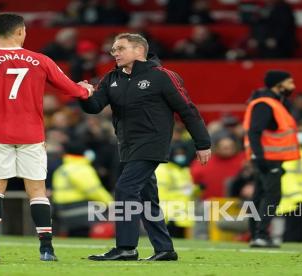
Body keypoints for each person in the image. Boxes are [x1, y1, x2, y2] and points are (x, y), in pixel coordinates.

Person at [0, 13, 93, 262]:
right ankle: (46, 250)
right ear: (21, 32)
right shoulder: (40, 60)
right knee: (37, 191)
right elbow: (69, 88)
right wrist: (85, 89)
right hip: (31, 134)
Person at [79, 33, 211, 261]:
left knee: (125, 188)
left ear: (139, 50)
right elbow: (95, 107)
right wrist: (82, 93)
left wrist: (203, 143)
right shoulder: (112, 77)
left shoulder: (162, 76)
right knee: (147, 196)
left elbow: (187, 110)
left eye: (120, 48)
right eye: (113, 50)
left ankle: (126, 247)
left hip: (152, 142)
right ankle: (165, 249)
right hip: (127, 145)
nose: (114, 54)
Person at [243, 70, 300, 248]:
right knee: (271, 197)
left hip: (268, 157)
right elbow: (254, 131)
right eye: (289, 82)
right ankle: (261, 235)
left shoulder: (274, 102)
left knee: (259, 196)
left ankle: (256, 235)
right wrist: (259, 157)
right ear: (278, 84)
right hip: (268, 158)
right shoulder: (266, 104)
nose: (293, 86)